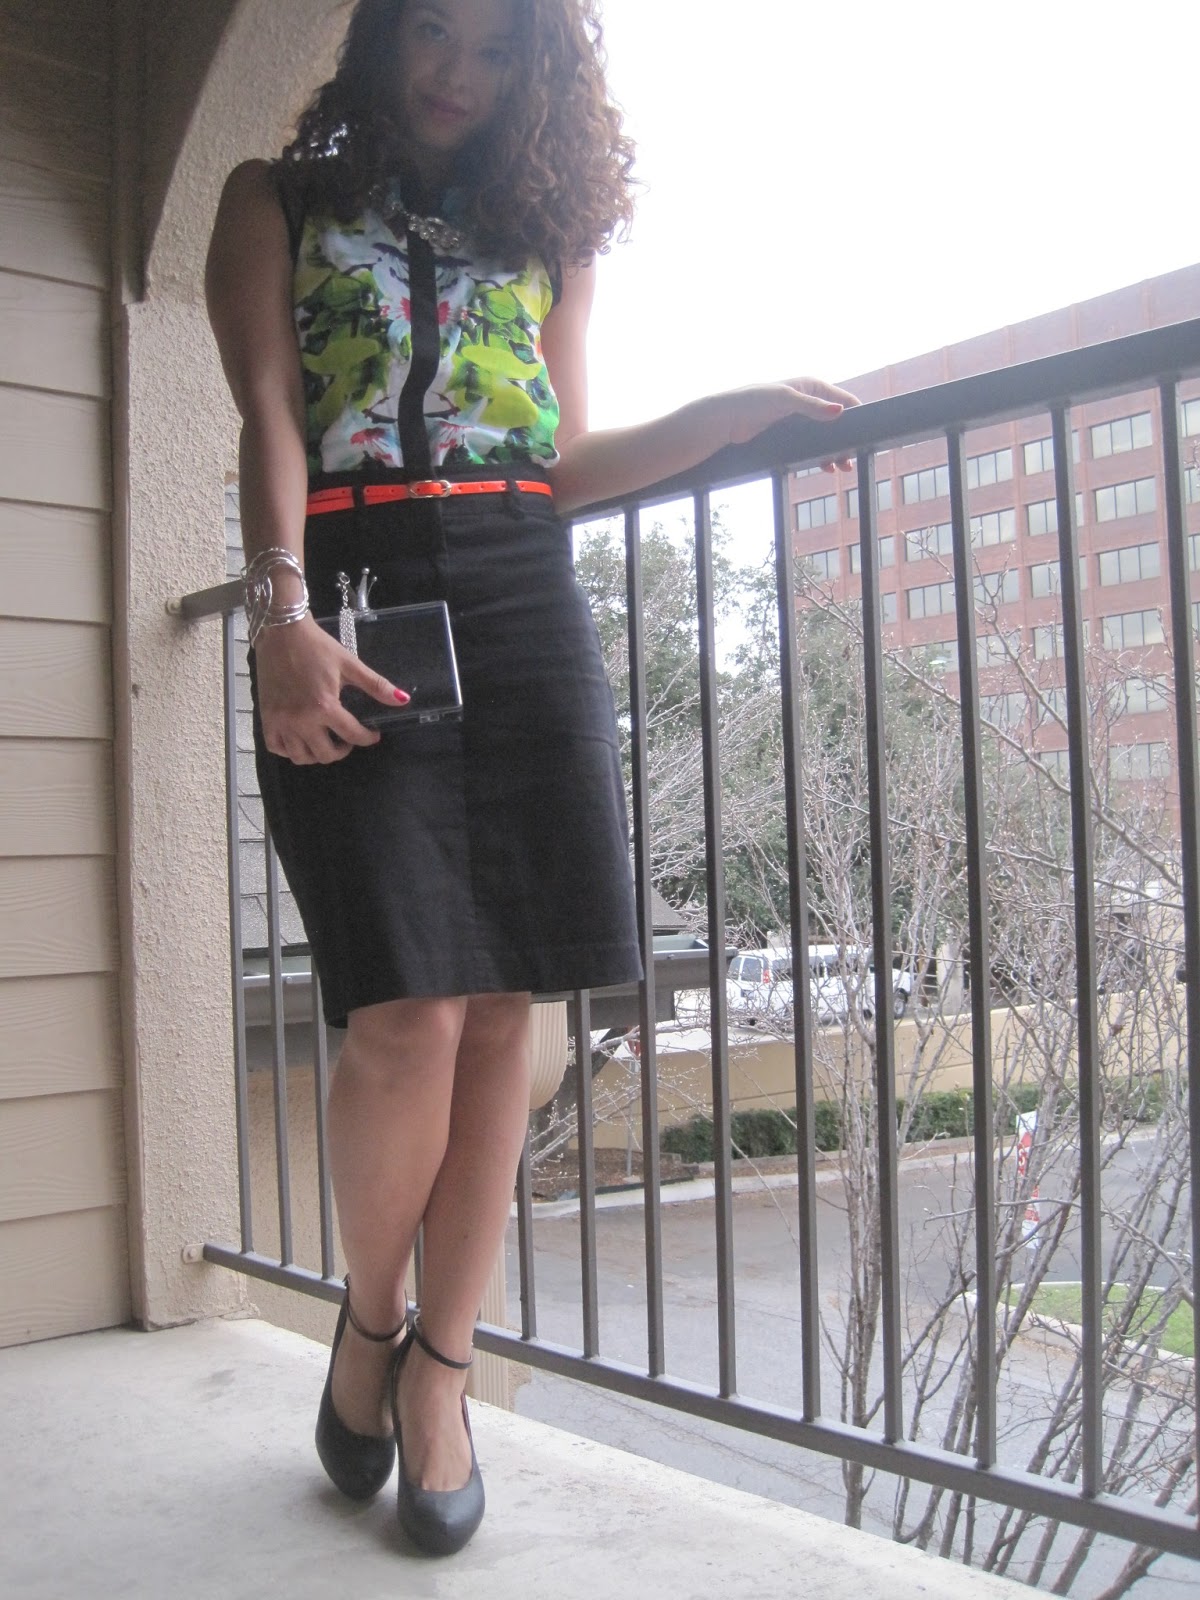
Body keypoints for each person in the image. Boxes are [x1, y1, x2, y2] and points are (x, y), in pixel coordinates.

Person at [205, 0, 854, 1559]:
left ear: (533, 73)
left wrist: (716, 421)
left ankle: (443, 1372)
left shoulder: (544, 239)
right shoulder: (274, 200)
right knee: (405, 1010)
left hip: (521, 597)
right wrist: (280, 616)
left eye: (495, 47)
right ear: (383, 38)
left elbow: (553, 460)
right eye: (434, 30)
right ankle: (372, 1320)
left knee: (512, 1009)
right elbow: (273, 408)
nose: (458, 69)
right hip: (351, 592)